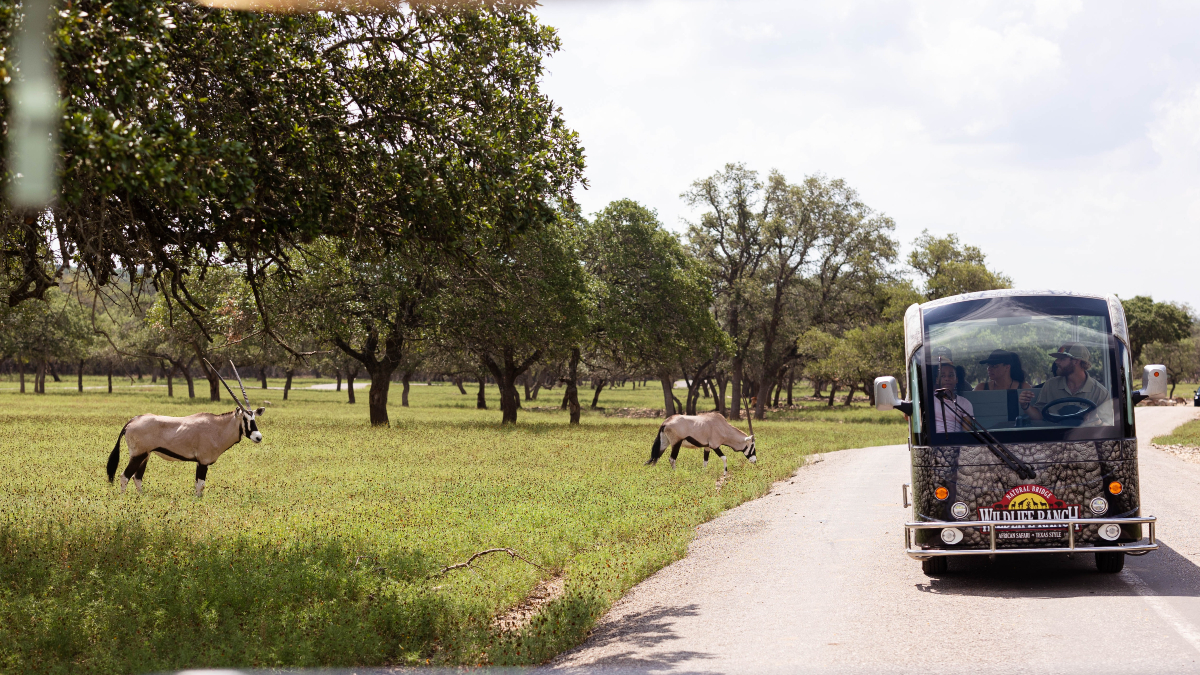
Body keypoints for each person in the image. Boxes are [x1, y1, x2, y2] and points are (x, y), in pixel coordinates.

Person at [1018, 343, 1111, 424]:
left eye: (1062, 358)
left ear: (1076, 361)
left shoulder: (1100, 392)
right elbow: (1039, 417)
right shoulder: (1051, 385)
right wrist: (1025, 406)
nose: (1056, 362)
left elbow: (1107, 427)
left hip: (1085, 442)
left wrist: (1096, 421)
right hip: (1054, 441)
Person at [932, 358, 974, 433]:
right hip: (934, 443)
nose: (947, 379)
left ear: (956, 379)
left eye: (951, 375)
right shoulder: (928, 400)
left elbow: (967, 433)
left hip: (955, 443)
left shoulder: (965, 403)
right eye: (943, 376)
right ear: (937, 380)